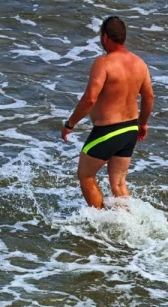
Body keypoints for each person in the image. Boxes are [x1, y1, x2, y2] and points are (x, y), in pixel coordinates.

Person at [61, 16, 155, 209]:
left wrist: (70, 124)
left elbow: (90, 98)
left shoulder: (103, 63)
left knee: (86, 175)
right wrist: (143, 123)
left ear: (105, 37)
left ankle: (99, 225)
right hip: (129, 129)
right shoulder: (140, 64)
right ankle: (129, 226)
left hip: (108, 131)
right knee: (118, 183)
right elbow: (149, 97)